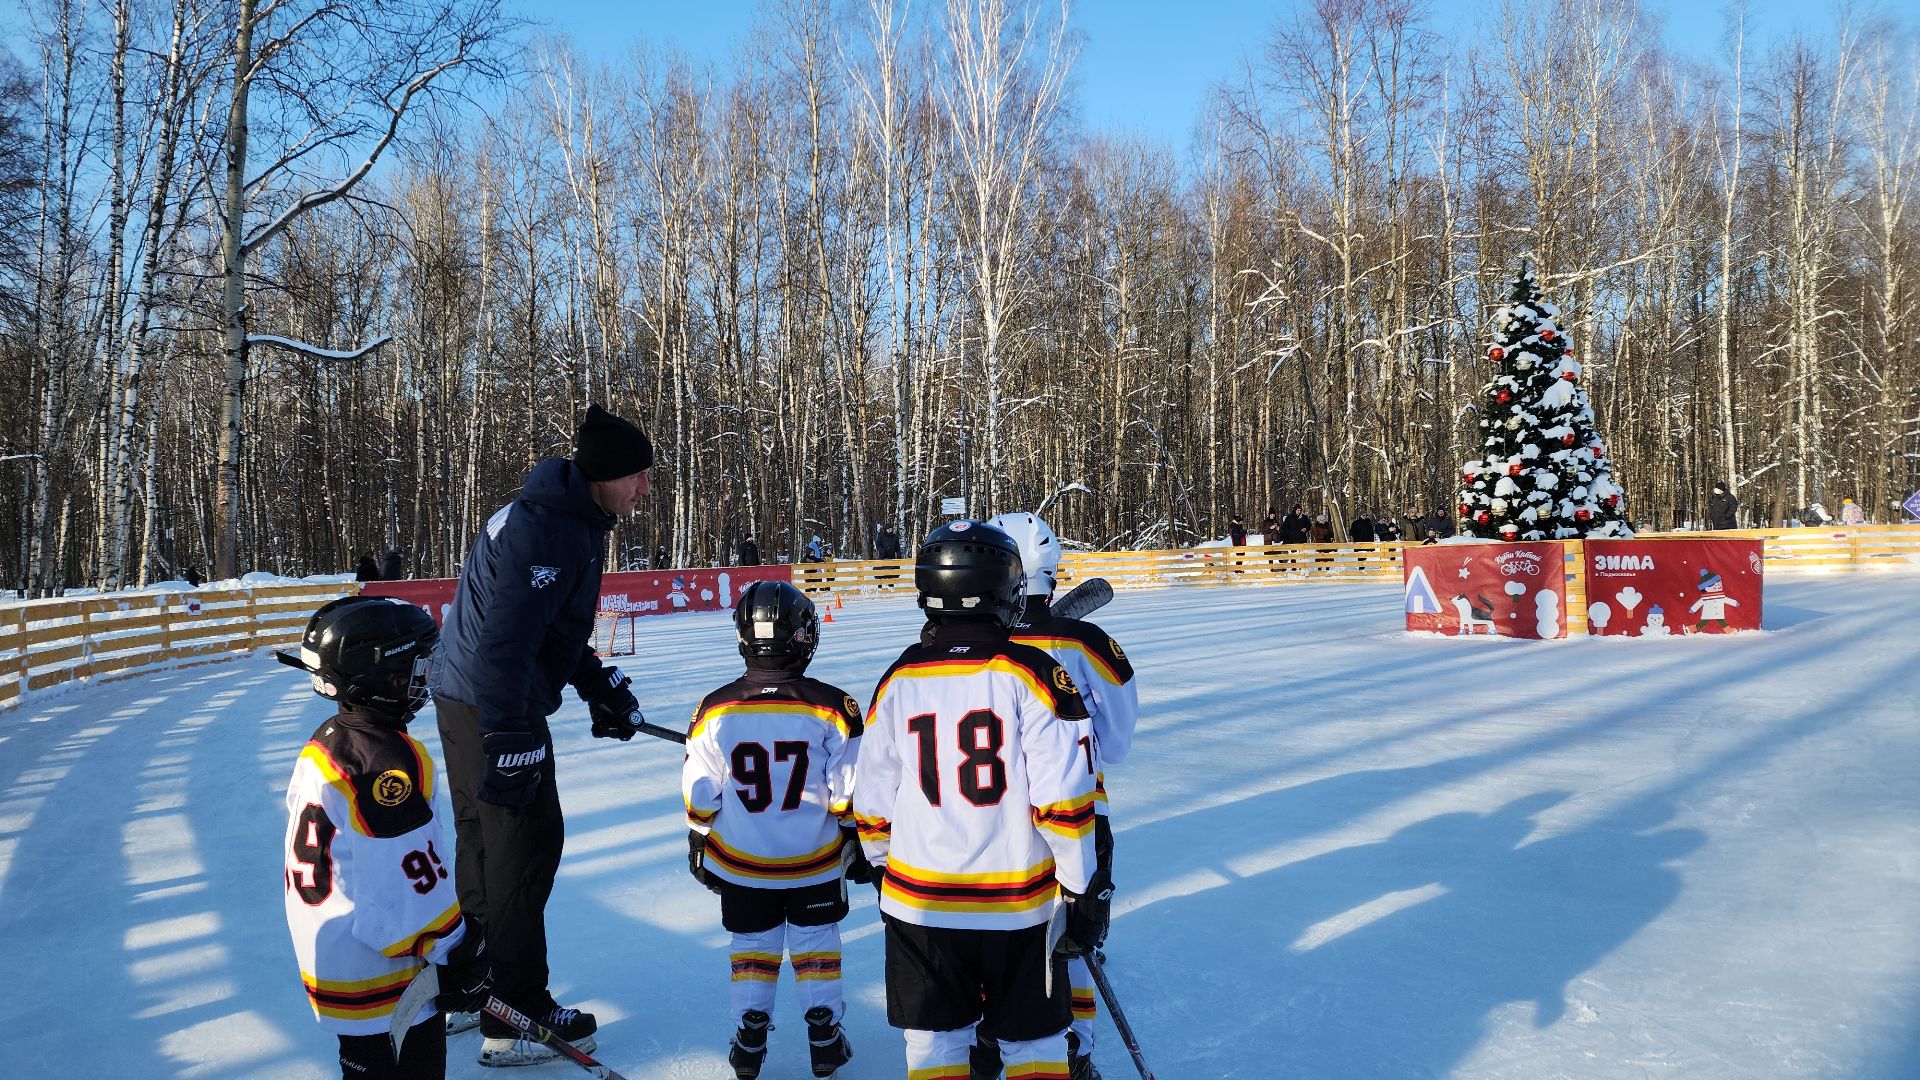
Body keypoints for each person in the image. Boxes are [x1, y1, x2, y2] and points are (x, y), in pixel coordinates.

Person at [430, 404, 658, 1067]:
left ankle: (471, 984)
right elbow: (505, 647)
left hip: (464, 696)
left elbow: (546, 629)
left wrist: (597, 683)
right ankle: (517, 1011)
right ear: (607, 475)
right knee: (525, 850)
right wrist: (510, 735)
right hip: (493, 702)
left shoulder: (564, 516)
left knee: (483, 842)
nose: (645, 489)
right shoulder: (552, 531)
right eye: (639, 477)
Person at [854, 521, 1100, 1080]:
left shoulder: (899, 676)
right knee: (1032, 1045)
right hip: (1017, 902)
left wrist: (878, 861)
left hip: (920, 902)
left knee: (935, 1048)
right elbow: (1063, 797)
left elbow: (871, 794)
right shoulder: (1036, 673)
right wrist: (1081, 888)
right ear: (1006, 589)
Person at [276, 596, 491, 1080]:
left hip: (336, 954)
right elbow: (403, 888)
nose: (427, 676)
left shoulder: (333, 739)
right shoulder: (385, 767)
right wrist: (457, 946)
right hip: (383, 969)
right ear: (378, 676)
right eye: (418, 665)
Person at [682, 581, 869, 1079]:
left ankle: (749, 1038)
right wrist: (856, 836)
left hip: (743, 863)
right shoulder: (834, 706)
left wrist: (699, 835)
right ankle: (824, 1035)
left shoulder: (714, 708)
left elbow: (701, 793)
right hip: (814, 862)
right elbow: (846, 793)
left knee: (753, 949)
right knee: (816, 945)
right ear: (804, 638)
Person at [985, 512, 1139, 1080]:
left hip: (987, 818)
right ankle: (1074, 1050)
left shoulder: (960, 645)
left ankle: (989, 1040)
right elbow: (1116, 745)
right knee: (1070, 937)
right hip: (1077, 816)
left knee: (998, 932)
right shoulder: (1087, 644)